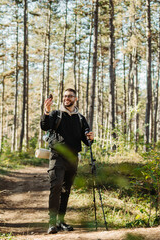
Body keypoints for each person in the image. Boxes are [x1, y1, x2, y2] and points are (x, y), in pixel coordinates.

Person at [40, 88, 94, 234]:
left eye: (70, 96)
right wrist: (46, 110)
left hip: (73, 158)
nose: (66, 98)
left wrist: (90, 138)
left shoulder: (80, 118)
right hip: (57, 156)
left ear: (75, 99)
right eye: (64, 96)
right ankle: (52, 223)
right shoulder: (56, 114)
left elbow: (86, 141)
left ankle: (61, 221)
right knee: (55, 186)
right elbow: (45, 126)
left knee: (66, 189)